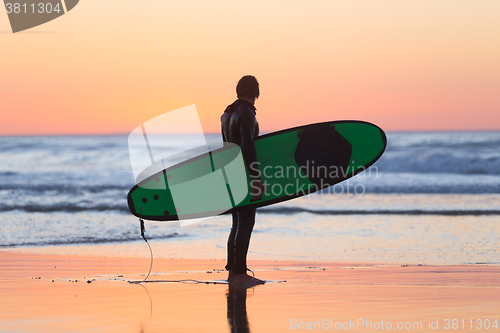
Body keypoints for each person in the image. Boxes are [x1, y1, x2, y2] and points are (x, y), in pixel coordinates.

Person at [221, 75, 266, 285]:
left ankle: (233, 272)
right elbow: (248, 146)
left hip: (231, 175)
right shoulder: (246, 114)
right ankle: (239, 274)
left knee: (237, 223)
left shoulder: (227, 113)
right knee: (246, 222)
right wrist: (256, 178)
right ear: (255, 92)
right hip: (245, 175)